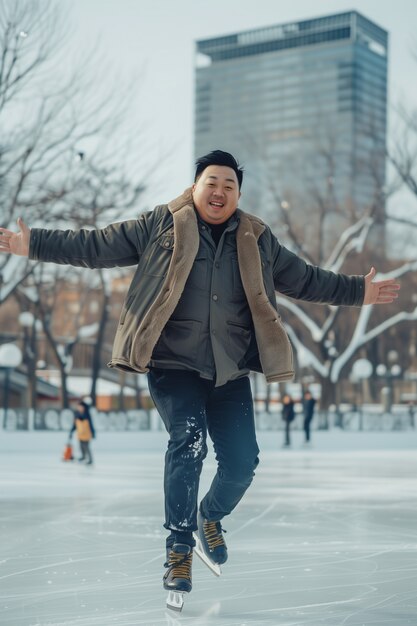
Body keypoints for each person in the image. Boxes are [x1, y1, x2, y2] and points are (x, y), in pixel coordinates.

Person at [0, 150, 400, 608]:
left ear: (238, 195)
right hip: (173, 366)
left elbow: (305, 279)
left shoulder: (258, 238)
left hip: (228, 371)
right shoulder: (160, 224)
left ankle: (210, 514)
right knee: (188, 439)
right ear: (195, 186)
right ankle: (178, 548)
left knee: (243, 462)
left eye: (229, 185)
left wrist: (358, 291)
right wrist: (34, 244)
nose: (220, 191)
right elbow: (96, 245)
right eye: (212, 182)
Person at [69, 400, 95, 465]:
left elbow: (91, 424)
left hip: (86, 434)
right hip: (80, 433)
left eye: (81, 407)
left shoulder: (87, 414)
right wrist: (71, 432)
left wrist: (93, 432)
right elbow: (75, 425)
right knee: (81, 446)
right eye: (79, 407)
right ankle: (83, 457)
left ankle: (90, 459)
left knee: (86, 447)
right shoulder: (76, 414)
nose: (80, 408)